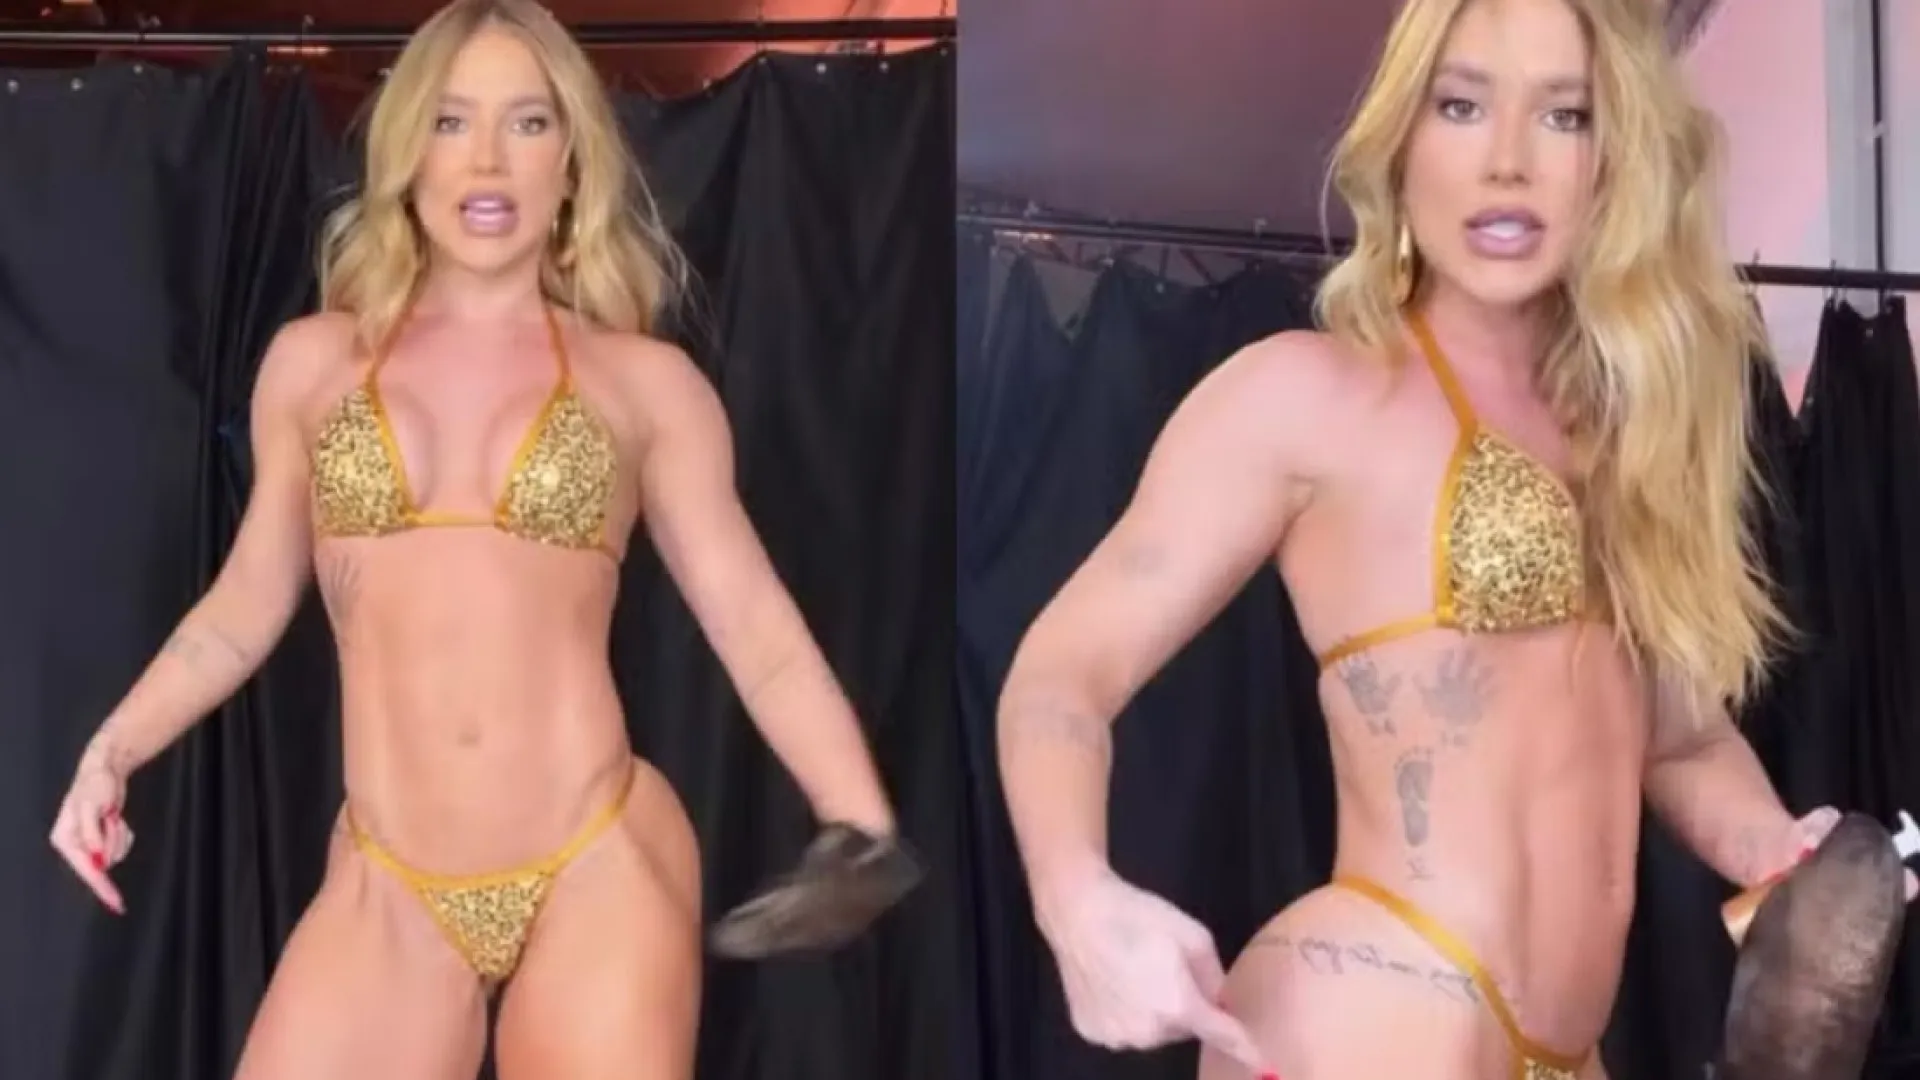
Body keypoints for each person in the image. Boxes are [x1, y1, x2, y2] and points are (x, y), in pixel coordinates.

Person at [994, 0, 1916, 1078]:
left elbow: (1678, 737)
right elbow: (1062, 673)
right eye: (1462, 105)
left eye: (1565, 115)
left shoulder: (1630, 434)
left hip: (1569, 1050)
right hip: (1372, 1015)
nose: (1507, 161)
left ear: (1617, 158)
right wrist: (1076, 897)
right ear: (1403, 138)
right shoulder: (1305, 396)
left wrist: (1775, 846)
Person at [45, 1, 914, 1077]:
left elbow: (753, 625)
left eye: (528, 122)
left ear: (572, 161)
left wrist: (856, 821)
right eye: (451, 122)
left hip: (592, 856)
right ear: (408, 151)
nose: (488, 158)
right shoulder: (311, 367)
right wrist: (113, 750)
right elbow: (244, 604)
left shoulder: (647, 386)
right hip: (390, 879)